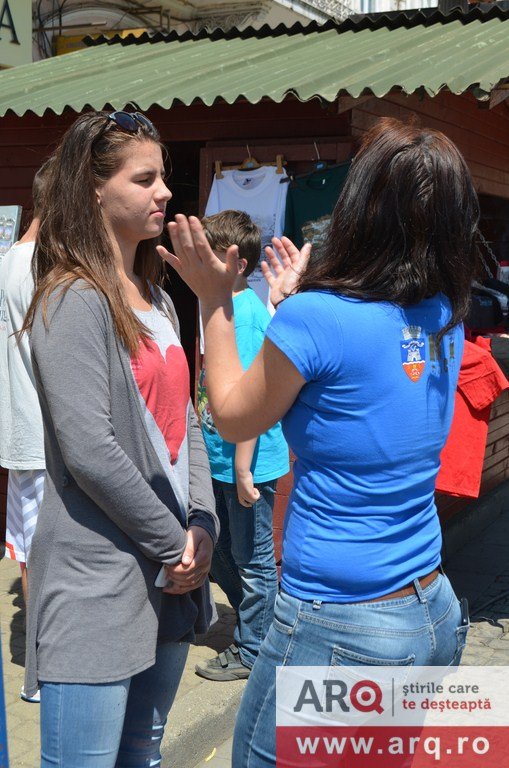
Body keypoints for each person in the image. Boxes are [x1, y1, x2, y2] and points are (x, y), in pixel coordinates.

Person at [158, 117, 480, 767]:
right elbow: (351, 389)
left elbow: (233, 418)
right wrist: (293, 311)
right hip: (433, 611)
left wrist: (216, 301)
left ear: (360, 206)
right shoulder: (444, 312)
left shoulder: (320, 318)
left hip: (341, 625)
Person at [20, 110, 218, 768]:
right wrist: (175, 544)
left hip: (169, 578)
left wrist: (203, 525)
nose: (165, 191)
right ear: (95, 189)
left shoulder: (159, 301)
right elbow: (90, 451)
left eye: (163, 177)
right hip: (97, 584)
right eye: (145, 178)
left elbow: (187, 421)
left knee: (143, 756)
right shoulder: (71, 298)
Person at [195, 211, 289, 681]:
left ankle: (256, 648)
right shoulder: (219, 306)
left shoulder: (245, 316)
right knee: (223, 553)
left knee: (252, 560)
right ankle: (261, 626)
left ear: (237, 263)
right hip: (222, 459)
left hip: (245, 465)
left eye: (209, 254)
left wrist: (244, 469)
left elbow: (251, 399)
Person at [0, 159, 53, 704]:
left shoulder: (7, 260)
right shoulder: (42, 267)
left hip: (20, 434)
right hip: (41, 436)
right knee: (43, 555)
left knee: (27, 551)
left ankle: (38, 664)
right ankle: (40, 671)